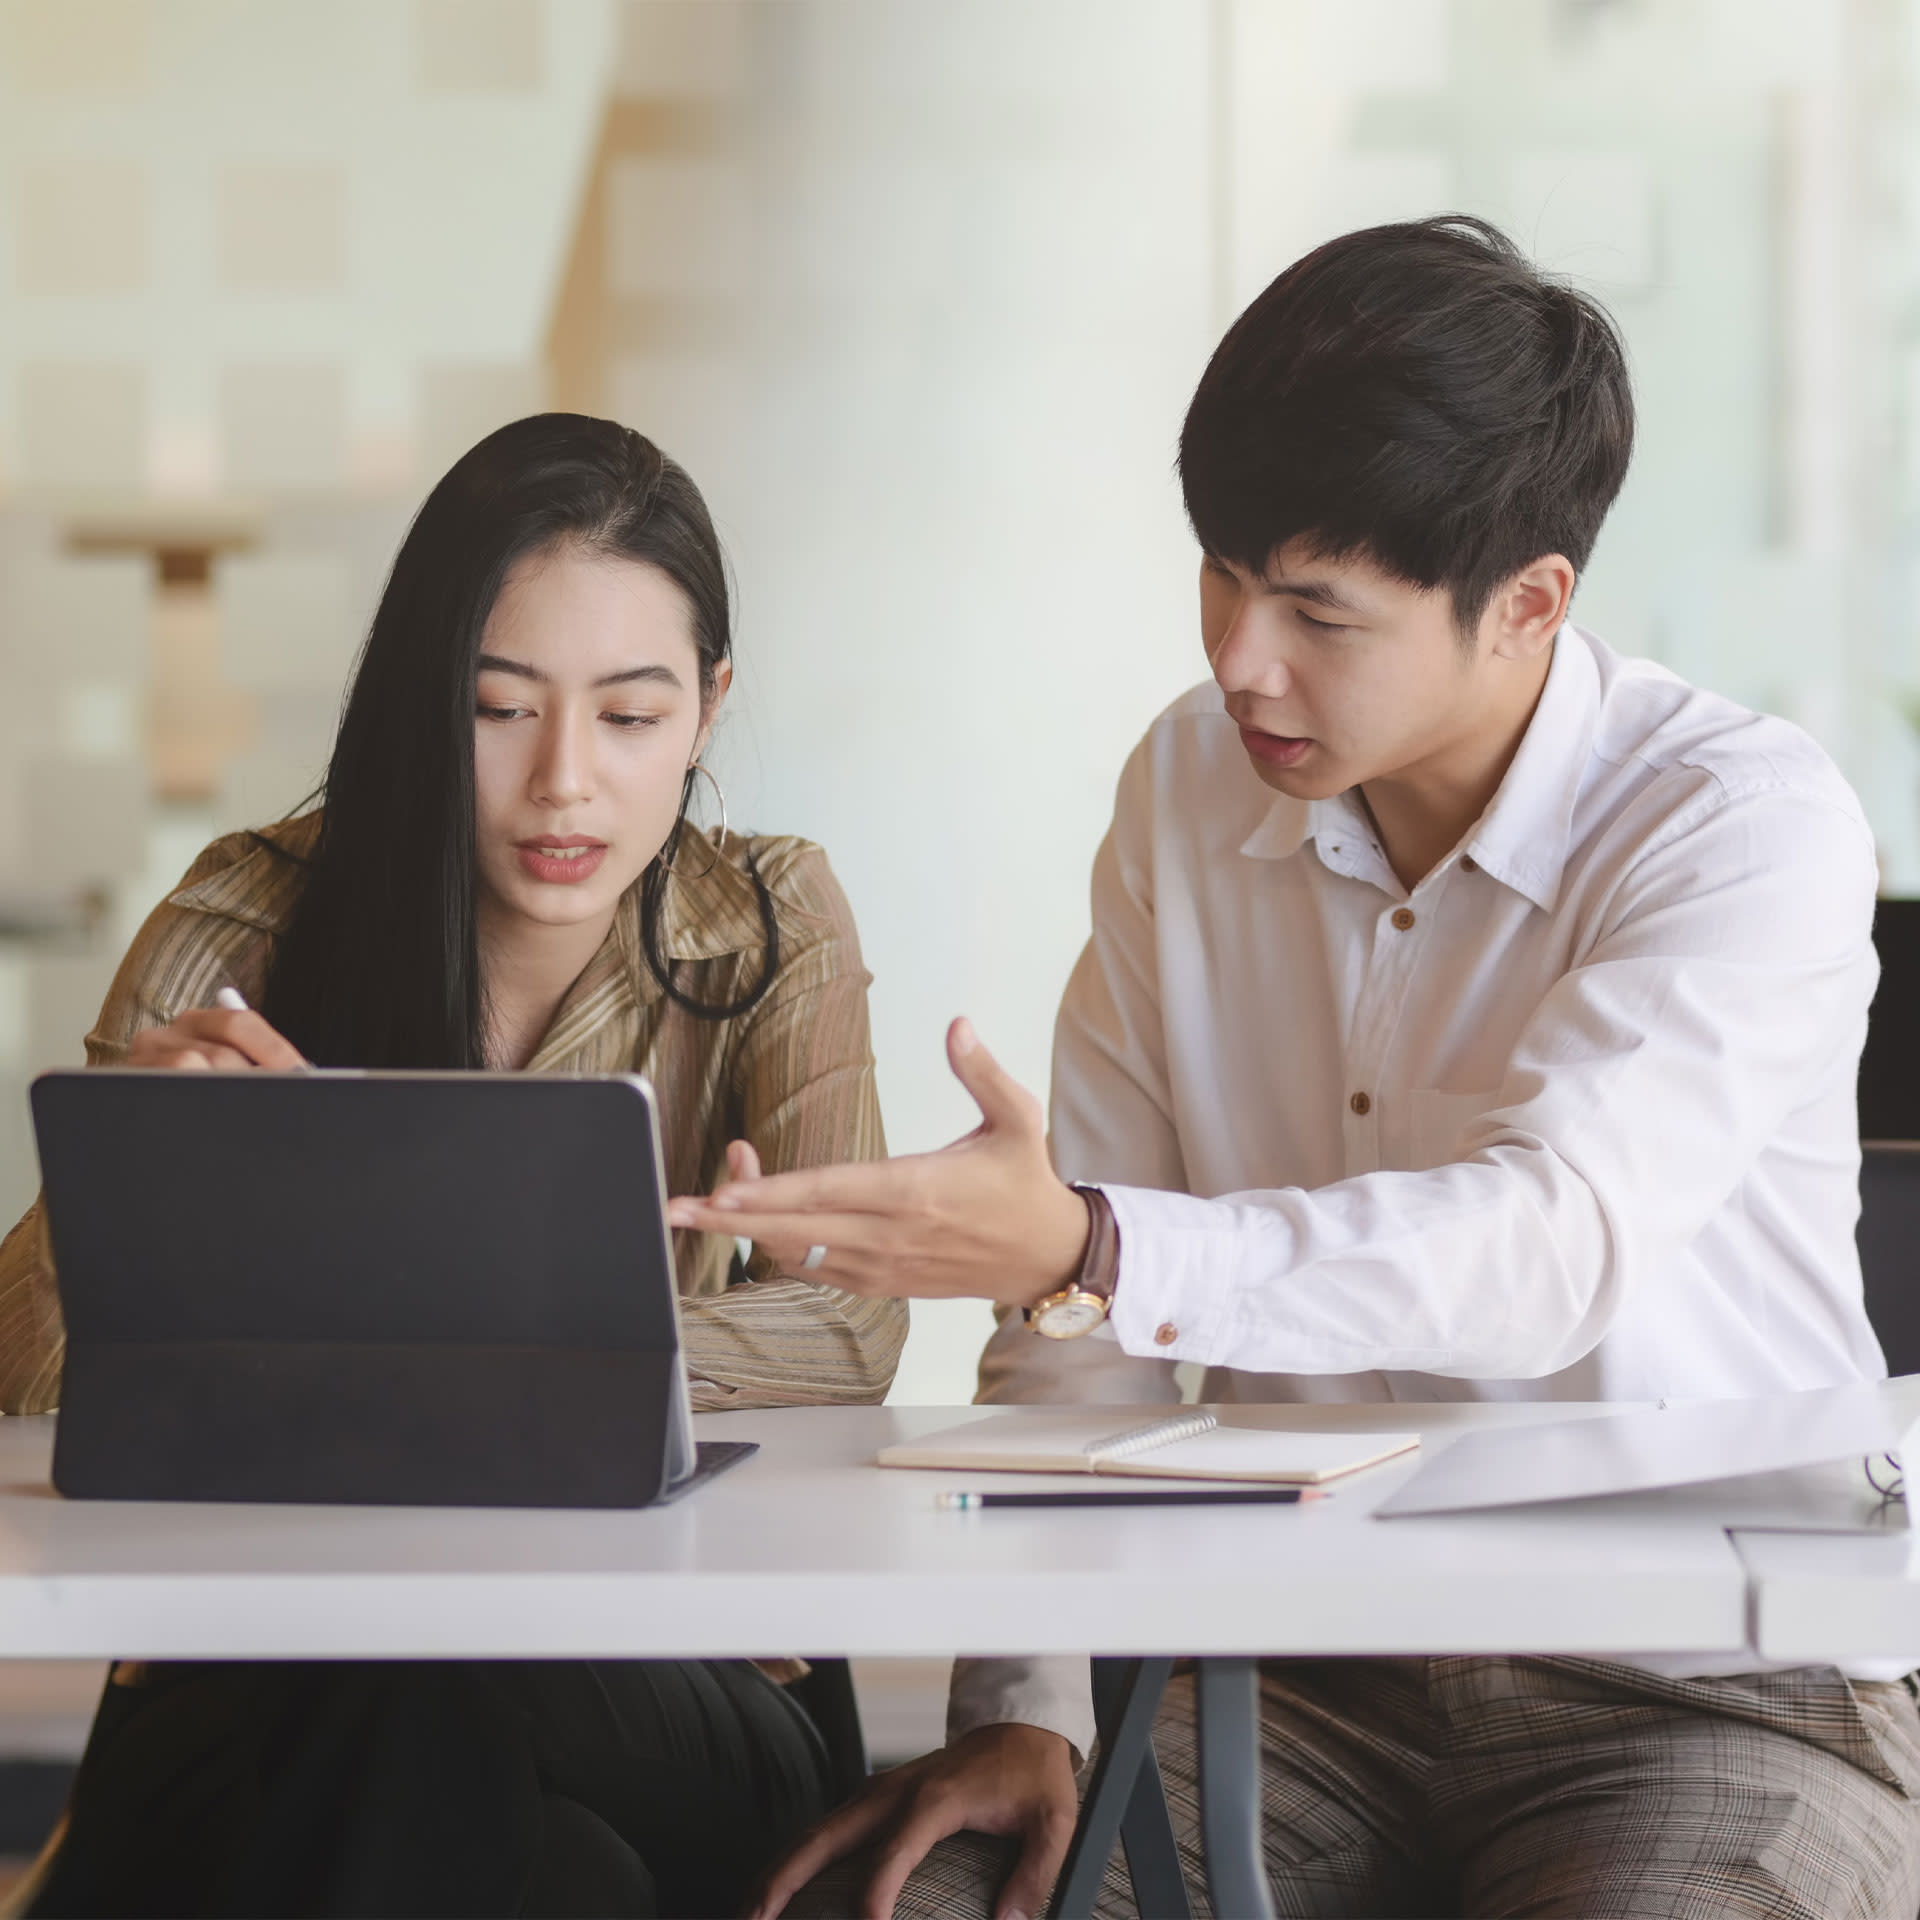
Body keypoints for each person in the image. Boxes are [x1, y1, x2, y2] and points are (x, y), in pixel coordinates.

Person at [671, 218, 1920, 1919]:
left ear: (1530, 607)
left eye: (1317, 611)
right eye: (1223, 573)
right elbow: (1081, 1350)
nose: (1239, 657)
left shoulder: (1737, 825)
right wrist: (1024, 1707)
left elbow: (1542, 1249)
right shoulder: (1190, 790)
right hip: (1297, 1679)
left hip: (1699, 1680)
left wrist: (1095, 1245)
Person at [0, 412, 906, 1918]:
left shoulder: (771, 915)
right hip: (278, 1679)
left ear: (708, 707)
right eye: (499, 709)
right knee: (549, 1867)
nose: (565, 784)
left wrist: (359, 1352)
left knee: (415, 1665)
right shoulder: (249, 912)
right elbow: (27, 1365)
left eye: (630, 717)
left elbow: (851, 1328)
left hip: (665, 1676)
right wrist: (151, 1183)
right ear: (424, 704)